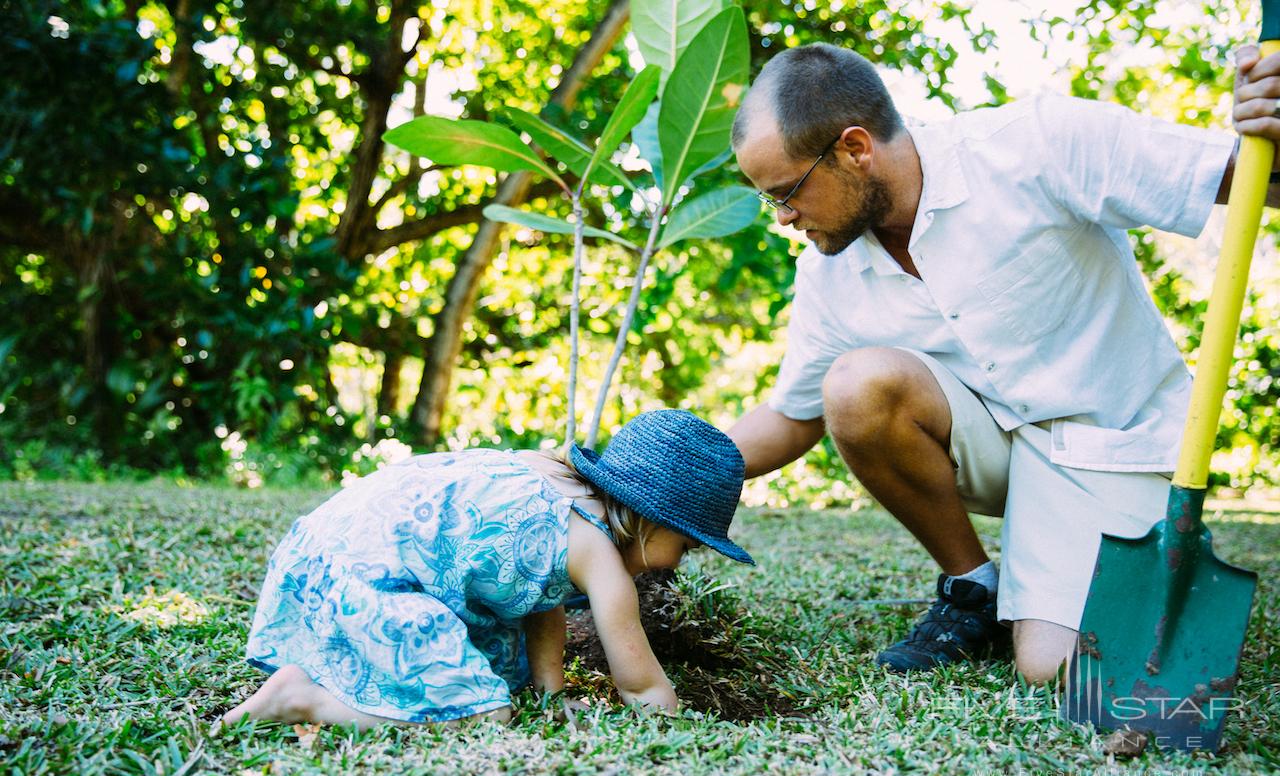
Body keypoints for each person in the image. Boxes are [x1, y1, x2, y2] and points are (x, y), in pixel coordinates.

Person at [729, 41, 1280, 682]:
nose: (785, 217)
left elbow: (1260, 181)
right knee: (856, 385)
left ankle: (1095, 556)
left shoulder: (1037, 143)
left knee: (1056, 667)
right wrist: (653, 481)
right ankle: (974, 588)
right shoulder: (831, 271)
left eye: (786, 193)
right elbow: (791, 417)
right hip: (994, 449)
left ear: (855, 148)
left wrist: (1272, 126)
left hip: (1114, 444)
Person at [222, 409, 753, 729]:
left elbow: (540, 603)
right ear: (649, 520)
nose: (676, 564)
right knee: (486, 713)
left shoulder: (553, 482)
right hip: (377, 583)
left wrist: (550, 694)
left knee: (505, 671)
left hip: (328, 555)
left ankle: (350, 679)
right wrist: (678, 726)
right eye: (683, 546)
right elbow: (640, 688)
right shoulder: (603, 564)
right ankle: (307, 700)